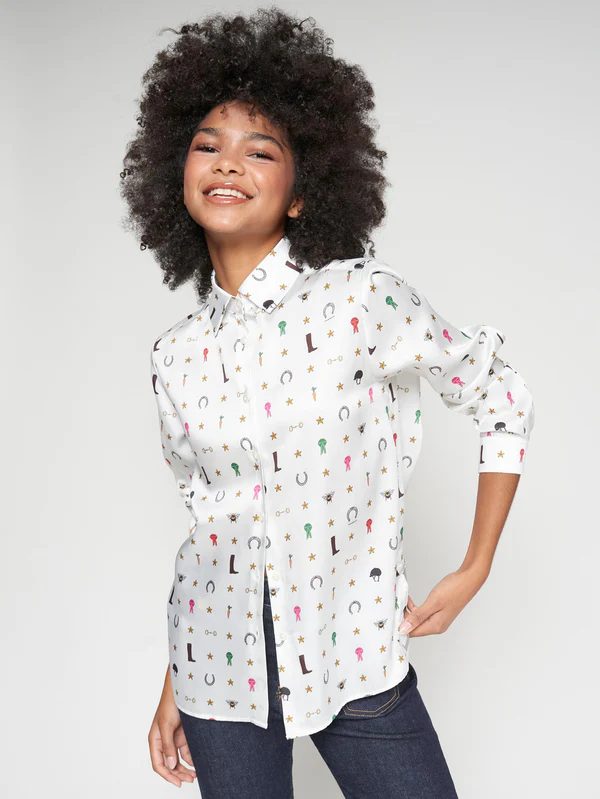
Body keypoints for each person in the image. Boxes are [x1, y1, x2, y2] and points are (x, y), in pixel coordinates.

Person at [120, 9, 534, 798]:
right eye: (207, 144)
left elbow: (501, 393)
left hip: (353, 654)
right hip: (217, 671)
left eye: (260, 150)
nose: (228, 162)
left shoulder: (358, 300)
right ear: (177, 172)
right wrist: (179, 677)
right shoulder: (174, 354)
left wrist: (476, 564)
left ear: (302, 195)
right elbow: (213, 522)